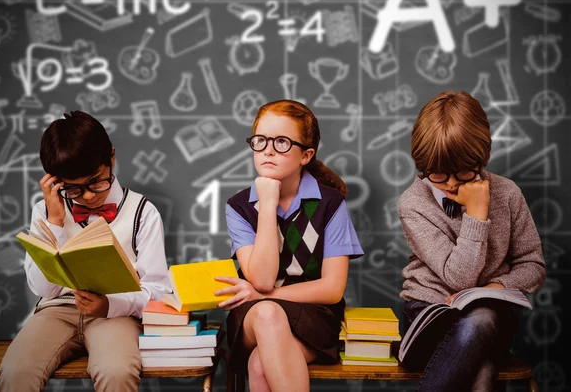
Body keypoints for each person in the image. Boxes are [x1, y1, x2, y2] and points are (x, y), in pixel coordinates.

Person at [0, 111, 171, 392]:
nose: (89, 196)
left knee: (116, 371)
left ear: (111, 158)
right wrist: (54, 224)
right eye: (74, 190)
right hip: (57, 311)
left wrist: (109, 305)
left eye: (96, 181)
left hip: (116, 314)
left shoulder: (142, 212)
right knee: (16, 370)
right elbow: (43, 288)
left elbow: (159, 290)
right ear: (55, 181)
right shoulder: (45, 211)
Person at [398, 91, 545, 392]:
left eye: (463, 171)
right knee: (482, 365)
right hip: (428, 316)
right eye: (438, 174)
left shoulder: (508, 194)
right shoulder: (413, 202)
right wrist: (476, 214)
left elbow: (533, 264)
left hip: (491, 322)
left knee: (482, 319)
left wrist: (496, 288)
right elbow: (459, 277)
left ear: (481, 157)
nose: (451, 183)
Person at [216, 99, 363, 392]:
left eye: (281, 142)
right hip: (253, 316)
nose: (268, 150)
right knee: (269, 313)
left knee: (260, 365)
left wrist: (263, 294)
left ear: (306, 155)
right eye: (260, 141)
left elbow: (332, 289)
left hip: (314, 316)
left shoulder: (330, 204)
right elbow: (262, 277)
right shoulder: (239, 207)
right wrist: (268, 204)